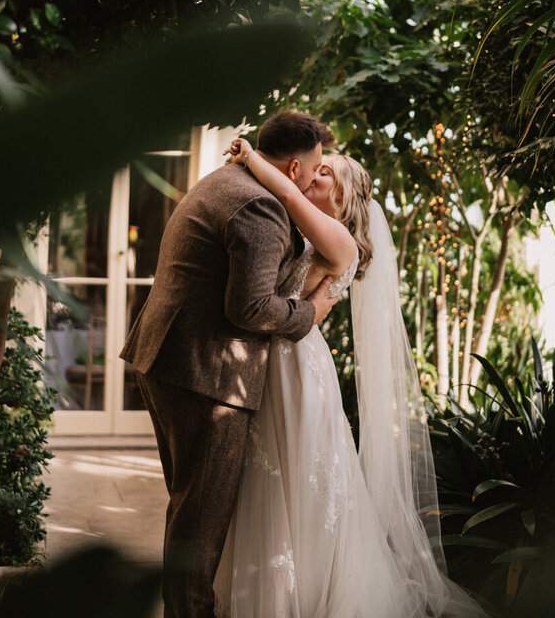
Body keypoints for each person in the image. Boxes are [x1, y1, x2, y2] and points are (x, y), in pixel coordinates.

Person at [214, 139, 486, 618]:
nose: (312, 175)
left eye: (325, 174)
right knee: (271, 476)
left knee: (301, 479)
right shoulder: (307, 234)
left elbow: (292, 199)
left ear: (341, 198)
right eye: (315, 169)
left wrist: (252, 158)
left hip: (297, 367)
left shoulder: (337, 238)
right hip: (279, 358)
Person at [120, 111, 342, 618]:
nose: (313, 179)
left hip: (169, 358)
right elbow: (251, 307)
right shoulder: (260, 206)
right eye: (314, 168)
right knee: (199, 525)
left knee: (187, 507)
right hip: (205, 374)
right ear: (292, 167)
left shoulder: (226, 179)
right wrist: (312, 311)